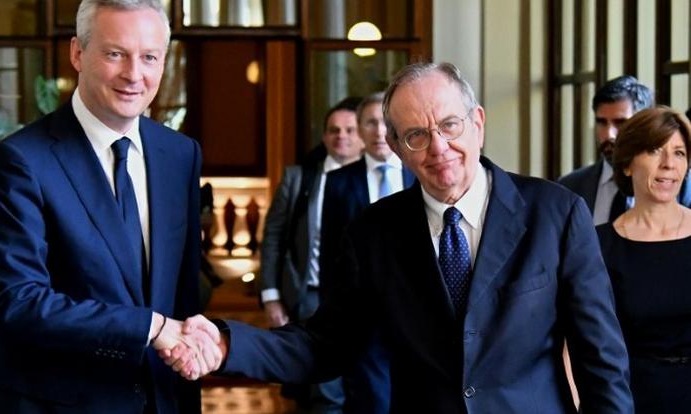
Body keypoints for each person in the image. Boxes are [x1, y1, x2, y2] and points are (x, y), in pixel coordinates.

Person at [173, 62, 634, 413]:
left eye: (449, 125)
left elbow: (601, 356)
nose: (438, 148)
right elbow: (324, 344)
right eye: (416, 135)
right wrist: (229, 342)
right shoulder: (373, 234)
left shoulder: (555, 213)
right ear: (394, 147)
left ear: (477, 122)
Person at [0, 0, 217, 413]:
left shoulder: (180, 155)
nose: (134, 74)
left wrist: (194, 340)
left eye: (149, 57)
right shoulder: (19, 161)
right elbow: (18, 303)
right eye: (115, 54)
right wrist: (150, 326)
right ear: (77, 53)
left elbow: (181, 293)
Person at [259, 97, 363, 412]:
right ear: (324, 136)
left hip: (366, 302)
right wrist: (271, 296)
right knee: (325, 392)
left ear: (363, 137)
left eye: (349, 129)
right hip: (312, 298)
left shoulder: (382, 180)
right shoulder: (299, 178)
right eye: (333, 130)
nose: (341, 136)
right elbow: (273, 237)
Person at [318, 92, 415, 413]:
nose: (378, 131)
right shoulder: (338, 183)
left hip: (417, 314)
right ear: (359, 129)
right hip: (364, 316)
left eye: (385, 123)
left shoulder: (419, 176)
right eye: (370, 123)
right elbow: (332, 253)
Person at [597, 107, 691, 413]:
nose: (668, 165)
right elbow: (579, 340)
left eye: (679, 153)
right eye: (654, 151)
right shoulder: (598, 244)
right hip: (630, 398)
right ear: (626, 164)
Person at [558, 75, 691, 223]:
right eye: (602, 122)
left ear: (645, 126)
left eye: (620, 123)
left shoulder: (679, 183)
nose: (609, 134)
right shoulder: (569, 186)